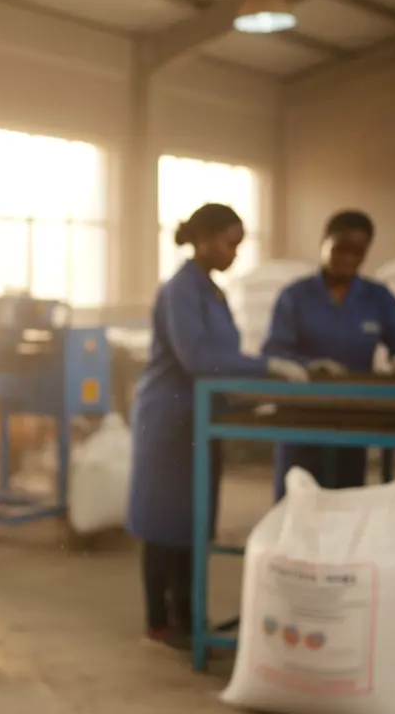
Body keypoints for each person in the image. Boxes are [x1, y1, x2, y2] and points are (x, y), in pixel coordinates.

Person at [126, 203, 309, 651]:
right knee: (164, 523)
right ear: (204, 238)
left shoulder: (212, 291)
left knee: (194, 522)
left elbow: (223, 357)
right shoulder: (179, 290)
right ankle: (161, 622)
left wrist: (258, 386)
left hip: (200, 418)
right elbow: (198, 357)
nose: (234, 254)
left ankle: (188, 617)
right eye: (230, 243)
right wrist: (267, 367)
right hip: (170, 421)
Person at [261, 210, 395, 502]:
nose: (347, 259)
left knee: (344, 501)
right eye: (339, 249)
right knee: (295, 501)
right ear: (323, 244)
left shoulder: (377, 298)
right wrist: (309, 367)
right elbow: (275, 349)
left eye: (356, 252)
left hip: (351, 415)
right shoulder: (295, 296)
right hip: (301, 416)